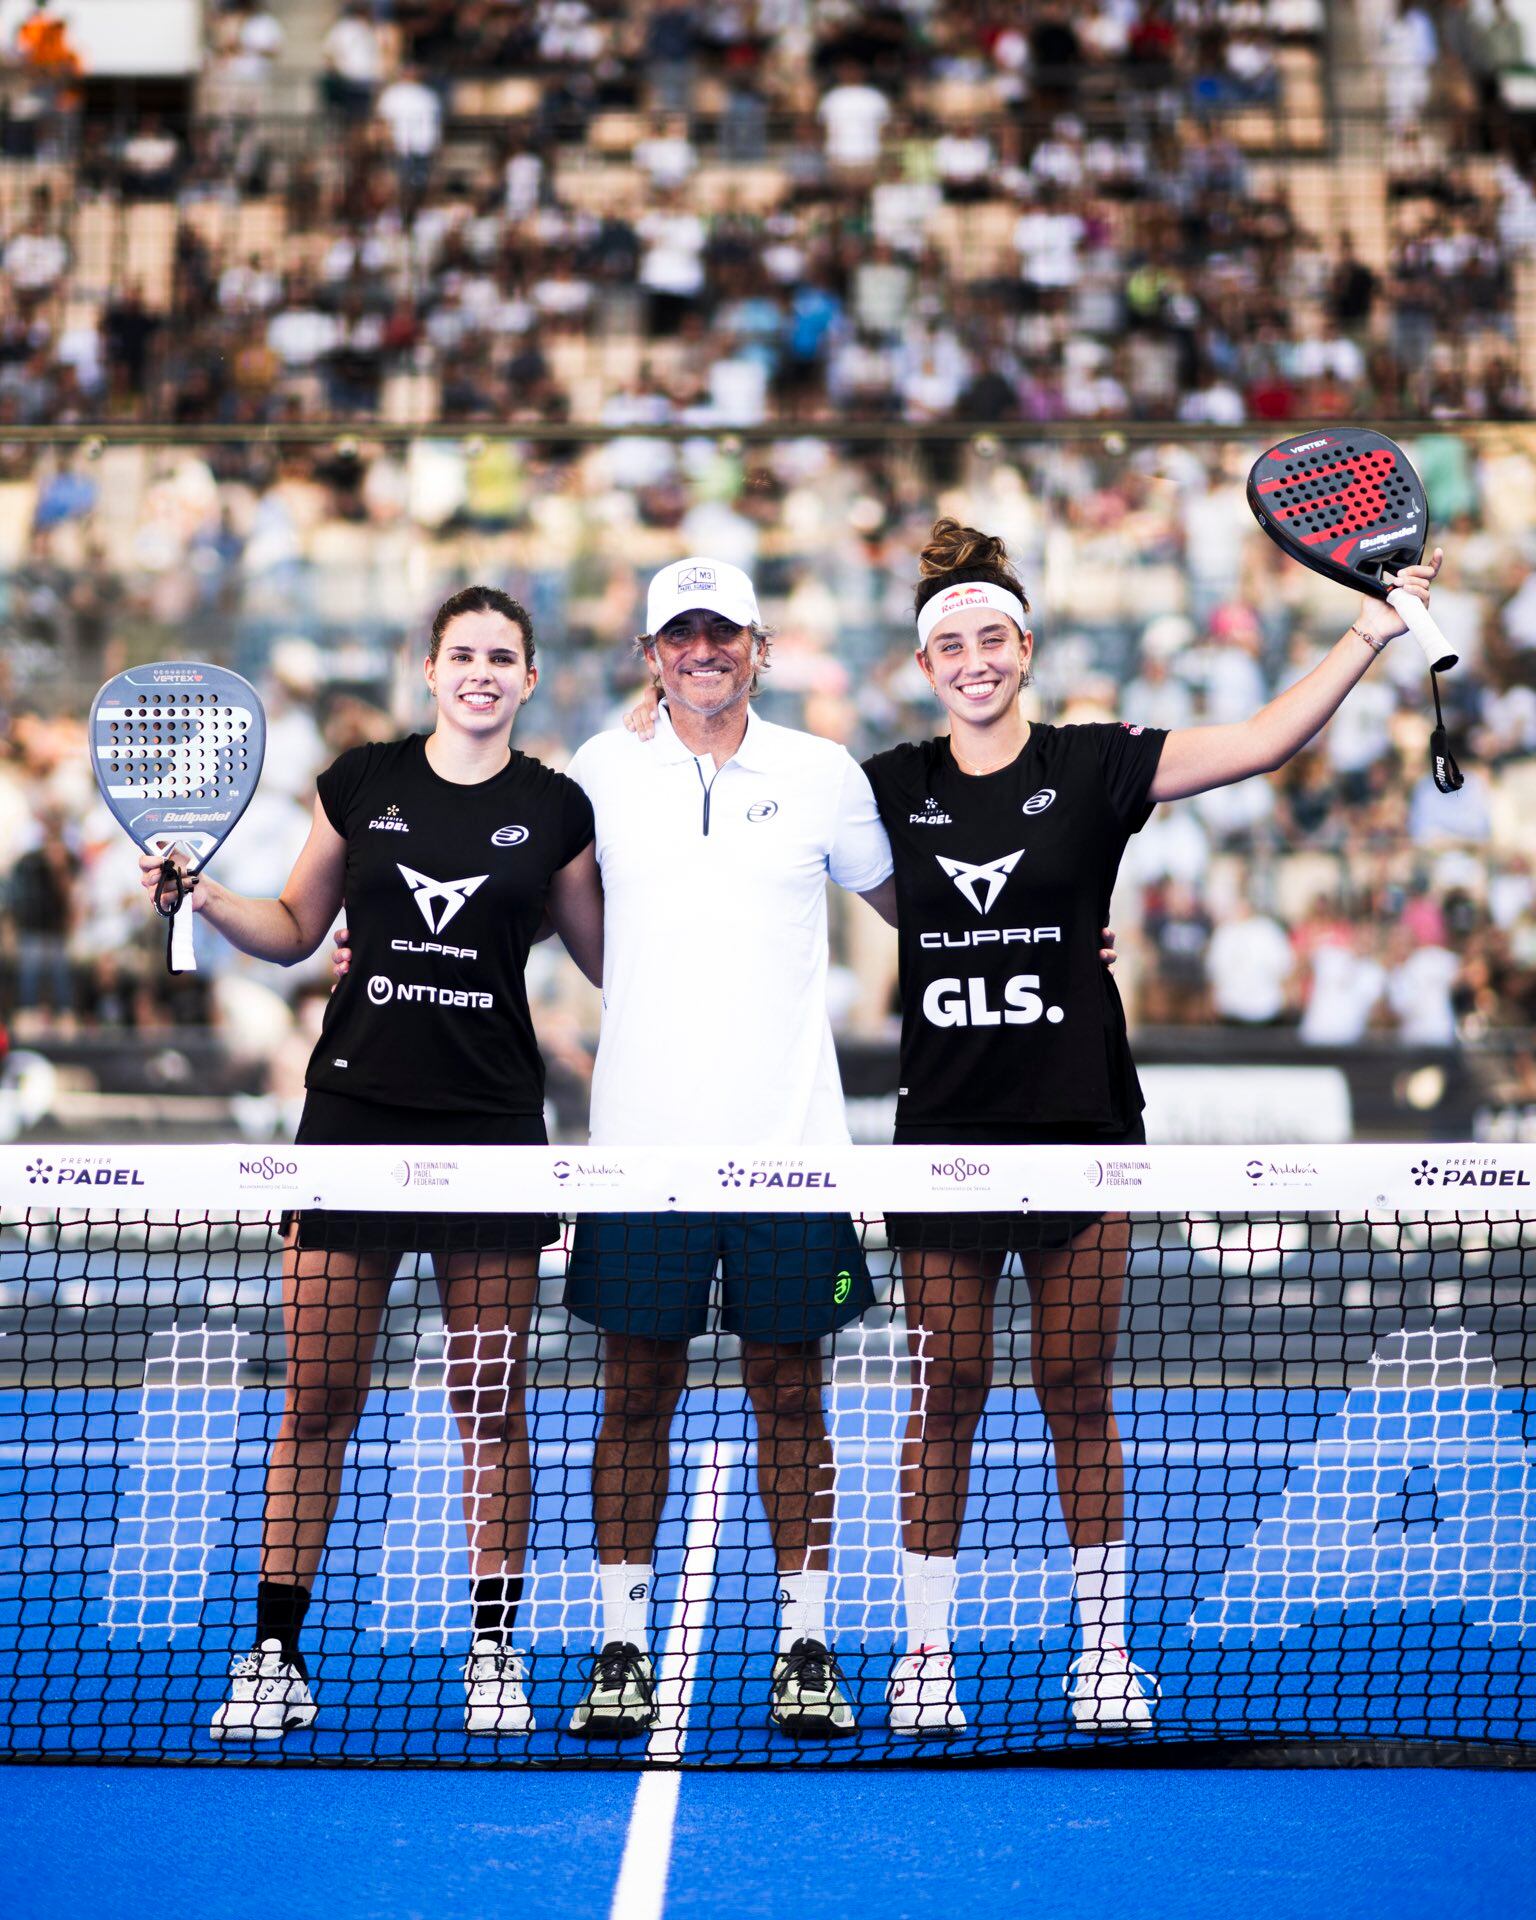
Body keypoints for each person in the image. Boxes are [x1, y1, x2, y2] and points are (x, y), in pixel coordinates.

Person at [860, 518, 1442, 1738]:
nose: (973, 658)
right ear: (926, 666)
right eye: (949, 643)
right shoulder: (887, 788)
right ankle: (924, 1650)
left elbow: (1261, 744)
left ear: (1026, 646)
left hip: (1084, 1127)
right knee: (946, 1393)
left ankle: (1105, 1652)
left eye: (992, 637)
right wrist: (667, 716)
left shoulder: (1094, 763)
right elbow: (793, 831)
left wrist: (1367, 632)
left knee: (1075, 1387)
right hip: (946, 1136)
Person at [141, 586, 603, 1740]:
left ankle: (492, 1655)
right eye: (463, 654)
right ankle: (274, 1657)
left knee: (490, 1407)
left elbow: (614, 960)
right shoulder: (364, 781)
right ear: (428, 667)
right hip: (350, 1123)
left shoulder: (558, 810)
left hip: (496, 1129)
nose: (482, 672)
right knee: (318, 1402)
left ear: (530, 677)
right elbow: (296, 929)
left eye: (504, 656)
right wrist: (200, 891)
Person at [562, 557, 895, 1742]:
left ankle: (807, 1645)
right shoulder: (601, 768)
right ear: (651, 656)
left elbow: (934, 909)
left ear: (758, 645)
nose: (702, 651)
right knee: (633, 1399)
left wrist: (1065, 943)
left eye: (722, 633)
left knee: (790, 1397)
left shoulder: (822, 774)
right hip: (639, 1156)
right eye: (678, 635)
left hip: (793, 1154)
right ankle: (620, 1647)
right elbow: (513, 881)